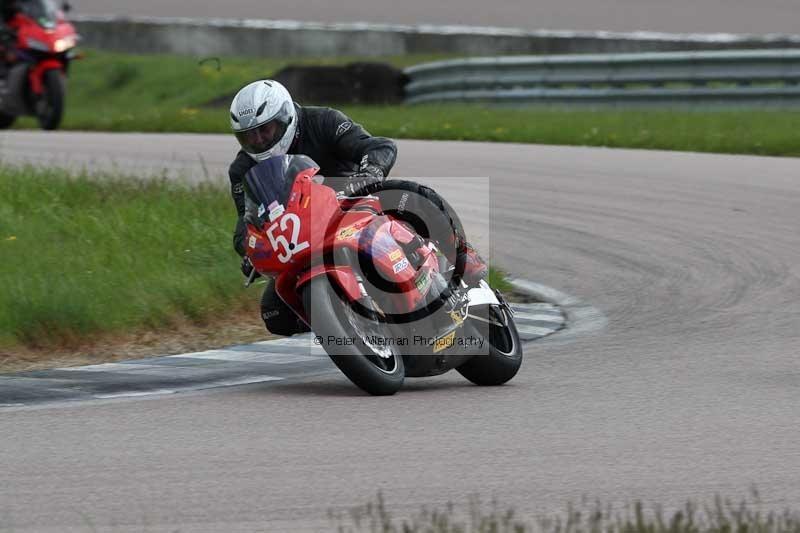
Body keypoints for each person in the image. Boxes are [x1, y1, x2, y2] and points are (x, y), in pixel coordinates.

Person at [228, 79, 487, 336]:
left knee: (413, 197)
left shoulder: (323, 121)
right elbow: (246, 224)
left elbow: (378, 146)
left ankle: (461, 253)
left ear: (285, 118)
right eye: (249, 135)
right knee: (274, 313)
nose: (259, 140)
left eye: (265, 130)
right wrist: (251, 250)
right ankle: (349, 324)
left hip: (356, 202)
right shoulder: (242, 170)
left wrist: (368, 174)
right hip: (306, 237)